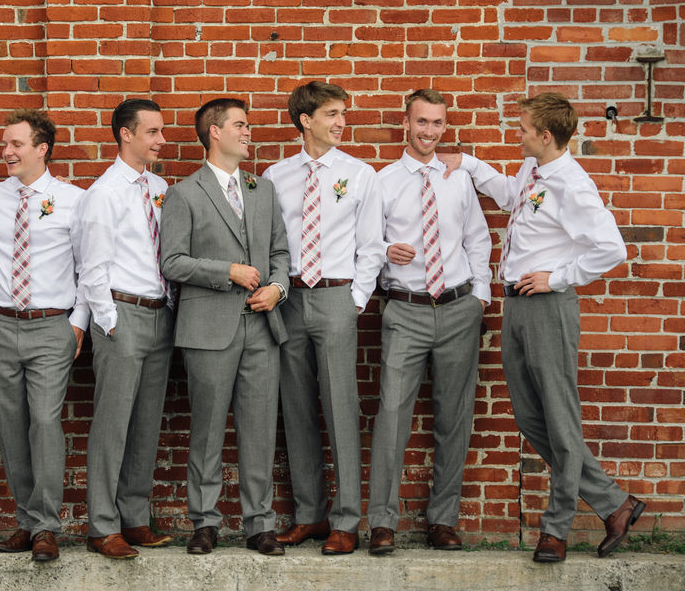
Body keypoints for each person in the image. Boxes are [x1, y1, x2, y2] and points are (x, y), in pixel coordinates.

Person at [445, 92, 644, 562]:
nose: (517, 134)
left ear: (545, 135)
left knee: (559, 417)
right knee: (531, 417)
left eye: (522, 128)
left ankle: (556, 530)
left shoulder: (572, 185)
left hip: (548, 305)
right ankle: (615, 503)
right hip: (517, 307)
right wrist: (469, 164)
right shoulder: (533, 171)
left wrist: (558, 277)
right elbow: (514, 198)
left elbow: (611, 248)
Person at [161, 98, 290, 556]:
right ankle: (205, 522)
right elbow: (172, 261)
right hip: (208, 328)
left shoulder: (262, 190)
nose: (248, 131)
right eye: (240, 125)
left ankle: (259, 524)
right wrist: (227, 271)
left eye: (248, 125)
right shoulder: (184, 193)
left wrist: (277, 287)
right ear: (214, 132)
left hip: (261, 325)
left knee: (259, 430)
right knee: (208, 428)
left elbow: (279, 253)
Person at [366, 89, 491, 556]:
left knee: (454, 418)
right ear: (406, 122)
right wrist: (383, 253)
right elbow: (365, 244)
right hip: (406, 309)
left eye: (438, 124)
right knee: (391, 417)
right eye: (423, 122)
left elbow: (477, 240)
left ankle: (443, 519)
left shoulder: (457, 180)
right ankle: (382, 523)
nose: (430, 132)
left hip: (458, 308)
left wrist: (480, 297)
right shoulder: (382, 181)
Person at [263, 81, 384, 555]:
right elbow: (273, 241)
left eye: (343, 114)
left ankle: (347, 520)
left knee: (340, 408)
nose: (340, 123)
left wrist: (354, 300)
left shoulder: (359, 174)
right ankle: (309, 516)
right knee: (295, 410)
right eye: (331, 114)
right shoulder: (275, 175)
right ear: (305, 120)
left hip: (336, 297)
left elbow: (371, 245)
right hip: (290, 299)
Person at [0, 110, 88, 562]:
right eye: (4, 144)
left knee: (44, 423)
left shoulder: (74, 200)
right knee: (11, 427)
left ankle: (46, 525)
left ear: (42, 149)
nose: (6, 152)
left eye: (16, 145)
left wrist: (78, 322)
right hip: (1, 324)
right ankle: (26, 521)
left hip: (51, 326)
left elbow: (89, 264)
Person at [79, 99, 175, 559]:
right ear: (126, 135)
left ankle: (134, 517)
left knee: (145, 422)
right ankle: (101, 524)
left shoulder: (158, 186)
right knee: (113, 423)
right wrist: (110, 321)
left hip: (161, 314)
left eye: (161, 132)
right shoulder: (105, 192)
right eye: (153, 132)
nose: (161, 140)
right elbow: (91, 266)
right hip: (123, 315)